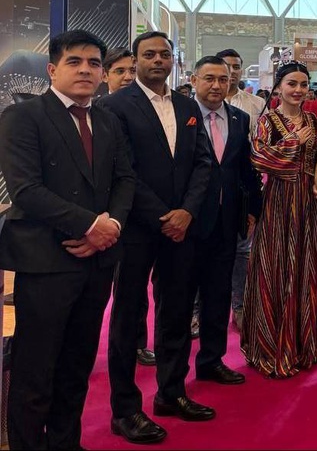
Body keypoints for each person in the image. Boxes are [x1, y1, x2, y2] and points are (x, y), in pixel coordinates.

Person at [0, 31, 135, 450]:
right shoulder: (23, 117)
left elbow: (125, 180)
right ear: (52, 69)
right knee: (34, 371)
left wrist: (110, 227)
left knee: (77, 367)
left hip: (97, 262)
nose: (86, 70)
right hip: (46, 261)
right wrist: (91, 226)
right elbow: (26, 190)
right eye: (74, 62)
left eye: (94, 63)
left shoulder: (108, 121)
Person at [101, 31, 215, 444]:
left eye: (164, 54)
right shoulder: (115, 106)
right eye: (149, 54)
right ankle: (125, 410)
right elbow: (122, 170)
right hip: (136, 227)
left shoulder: (187, 105)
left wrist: (187, 211)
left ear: (173, 61)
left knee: (177, 311)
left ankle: (171, 392)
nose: (157, 60)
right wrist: (163, 215)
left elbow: (203, 162)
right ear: (136, 61)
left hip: (182, 228)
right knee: (128, 318)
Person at [242, 61, 317, 378]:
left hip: (309, 203)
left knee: (307, 268)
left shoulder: (316, 122)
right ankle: (272, 345)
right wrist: (294, 143)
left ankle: (307, 344)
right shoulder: (267, 121)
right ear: (279, 87)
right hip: (278, 202)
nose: (298, 90)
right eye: (292, 84)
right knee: (275, 266)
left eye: (303, 84)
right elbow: (258, 158)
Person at [189, 57, 262, 385]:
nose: (217, 85)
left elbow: (246, 169)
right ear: (194, 80)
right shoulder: (180, 115)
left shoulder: (239, 118)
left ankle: (212, 359)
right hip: (187, 222)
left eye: (223, 78)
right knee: (180, 296)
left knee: (218, 294)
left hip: (227, 221)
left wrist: (253, 209)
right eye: (209, 78)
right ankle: (174, 372)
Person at [102, 46, 156, 366]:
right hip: (102, 215)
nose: (126, 77)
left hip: (138, 213)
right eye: (119, 71)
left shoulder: (143, 111)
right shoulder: (98, 110)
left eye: (131, 71)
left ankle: (135, 344)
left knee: (134, 288)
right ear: (105, 75)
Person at [215, 48, 266, 333]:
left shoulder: (256, 105)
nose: (231, 72)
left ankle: (240, 305)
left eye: (236, 67)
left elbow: (258, 149)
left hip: (242, 187)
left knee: (242, 251)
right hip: (208, 191)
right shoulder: (195, 105)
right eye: (226, 66)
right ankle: (198, 309)